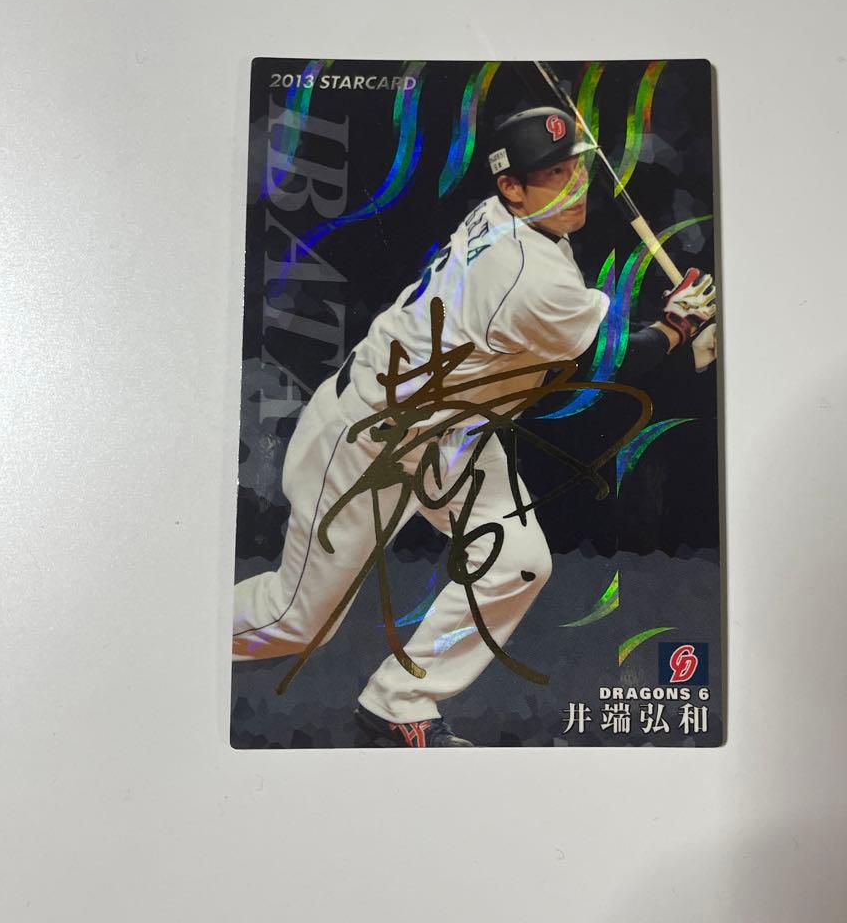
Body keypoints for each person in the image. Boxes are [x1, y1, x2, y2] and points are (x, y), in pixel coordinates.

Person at [232, 106, 716, 747]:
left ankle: (399, 703)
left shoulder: (514, 223)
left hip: (452, 433)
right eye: (552, 175)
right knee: (295, 623)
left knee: (517, 563)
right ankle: (169, 640)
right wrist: (678, 327)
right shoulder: (522, 275)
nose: (574, 187)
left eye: (576, 169)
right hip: (369, 440)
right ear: (511, 187)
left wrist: (677, 329)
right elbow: (610, 360)